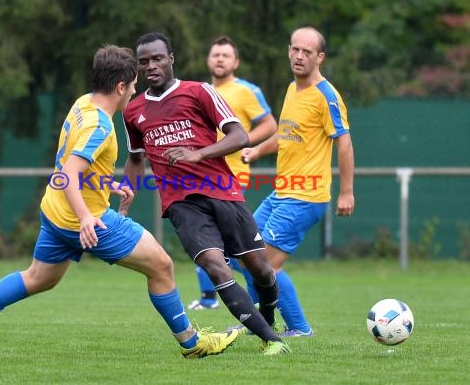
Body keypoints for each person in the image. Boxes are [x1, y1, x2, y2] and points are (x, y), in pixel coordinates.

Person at [0, 45, 239, 359]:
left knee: (38, 278)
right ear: (120, 86)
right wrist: (85, 218)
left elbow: (74, 166)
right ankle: (192, 343)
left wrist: (108, 184)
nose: (135, 90)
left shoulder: (83, 104)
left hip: (55, 211)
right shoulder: (100, 126)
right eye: (133, 85)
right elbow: (70, 171)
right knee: (162, 265)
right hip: (85, 218)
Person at [121, 32, 290, 355]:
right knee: (215, 267)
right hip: (181, 204)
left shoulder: (199, 92)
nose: (151, 66)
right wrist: (126, 198)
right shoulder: (133, 111)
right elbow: (135, 158)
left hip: (223, 192)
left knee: (260, 269)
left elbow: (239, 135)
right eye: (144, 62)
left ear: (172, 58)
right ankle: (273, 341)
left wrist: (198, 154)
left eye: (157, 58)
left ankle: (266, 323)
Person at [240, 26, 355, 337]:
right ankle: (258, 320)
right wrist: (257, 149)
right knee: (242, 250)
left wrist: (346, 192)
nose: (299, 56)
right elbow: (285, 133)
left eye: (307, 51)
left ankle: (299, 328)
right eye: (295, 49)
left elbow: (343, 142)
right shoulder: (293, 89)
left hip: (306, 197)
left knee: (266, 264)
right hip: (282, 192)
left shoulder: (326, 95)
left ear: (320, 57)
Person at [187, 35, 278, 311]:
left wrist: (244, 142)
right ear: (208, 59)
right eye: (215, 54)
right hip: (201, 173)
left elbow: (270, 125)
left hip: (232, 175)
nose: (219, 59)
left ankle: (262, 285)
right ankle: (212, 298)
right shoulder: (200, 90)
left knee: (226, 244)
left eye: (225, 55)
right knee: (205, 238)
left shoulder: (246, 90)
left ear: (235, 62)